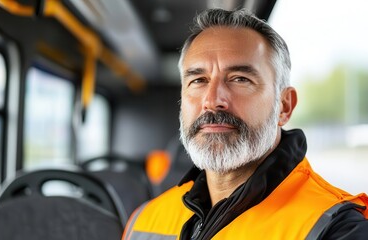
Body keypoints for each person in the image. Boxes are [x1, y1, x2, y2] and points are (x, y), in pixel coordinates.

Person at [122, 8, 368, 240]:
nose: (212, 100)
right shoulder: (144, 221)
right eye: (198, 80)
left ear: (284, 106)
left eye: (240, 79)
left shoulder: (335, 227)